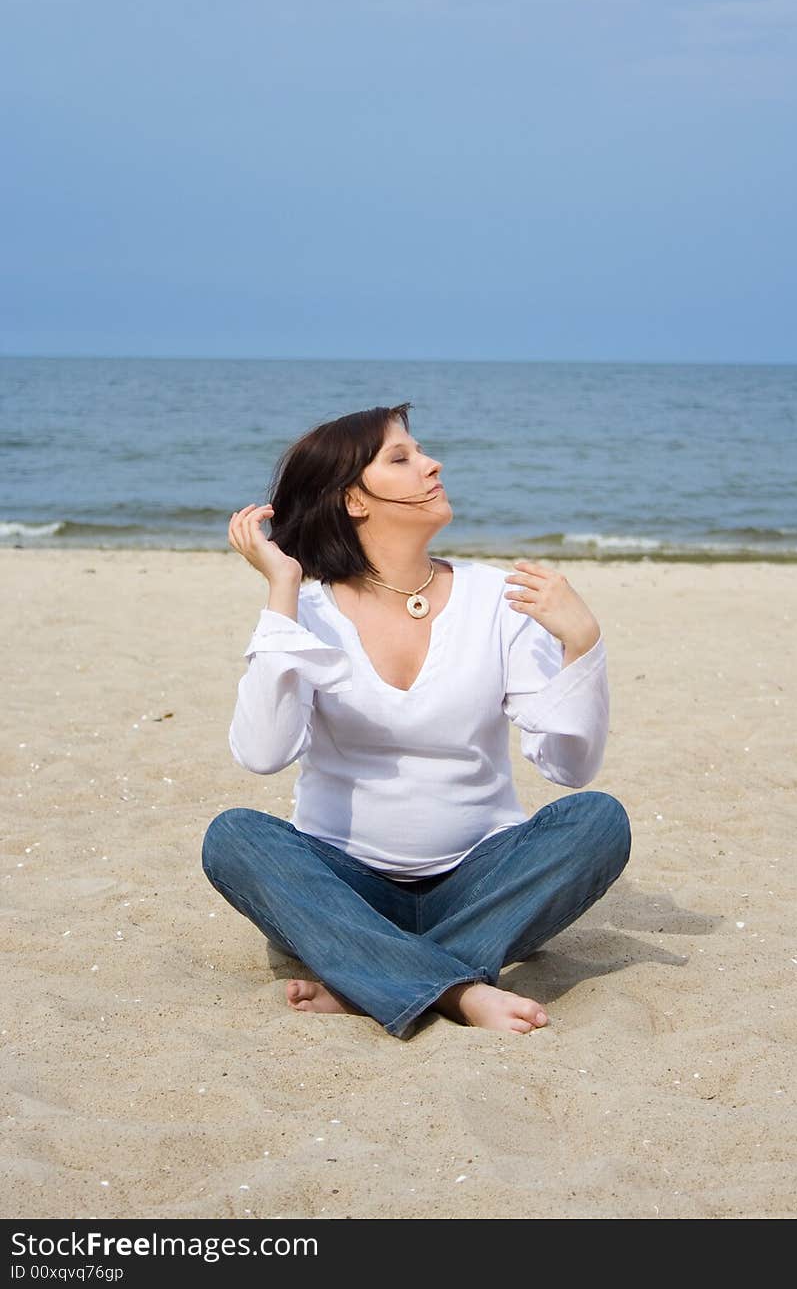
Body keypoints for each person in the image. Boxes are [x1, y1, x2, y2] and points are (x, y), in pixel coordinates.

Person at [202, 403, 631, 1039]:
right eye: (401, 458)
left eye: (420, 452)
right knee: (234, 836)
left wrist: (582, 645)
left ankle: (370, 979)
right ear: (353, 500)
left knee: (599, 820)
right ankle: (457, 987)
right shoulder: (307, 612)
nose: (433, 464)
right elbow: (263, 752)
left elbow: (570, 768)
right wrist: (281, 592)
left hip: (481, 881)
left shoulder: (497, 600)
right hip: (344, 888)